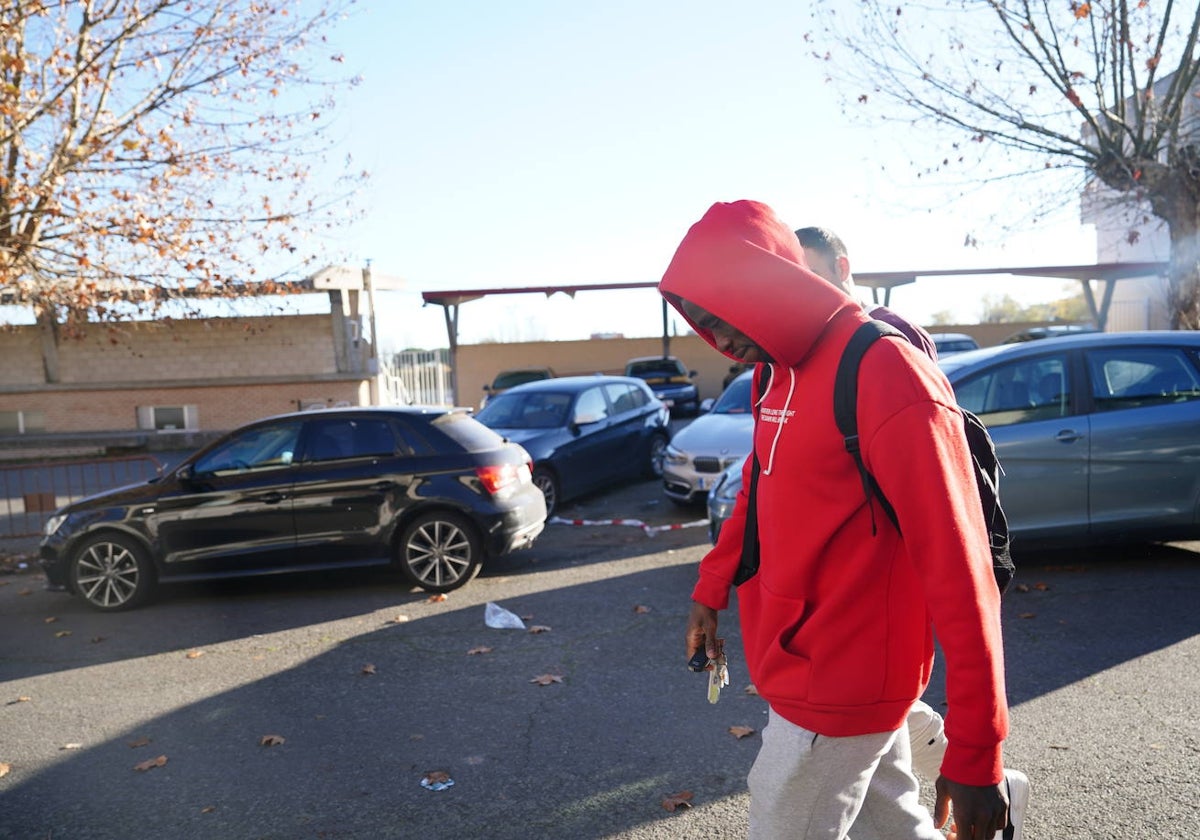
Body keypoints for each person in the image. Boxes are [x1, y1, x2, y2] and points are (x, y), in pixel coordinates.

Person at [660, 199, 1012, 839]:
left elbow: (963, 573)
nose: (722, 341)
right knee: (894, 829)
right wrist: (709, 590)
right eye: (703, 324)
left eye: (725, 316)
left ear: (767, 284)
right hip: (800, 661)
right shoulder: (774, 371)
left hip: (842, 684)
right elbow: (758, 491)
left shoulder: (884, 371)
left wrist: (978, 754)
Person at [795, 224, 1029, 839]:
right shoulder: (812, 350)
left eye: (810, 271)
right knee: (885, 773)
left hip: (877, 596)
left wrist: (980, 753)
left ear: (842, 265)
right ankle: (1003, 787)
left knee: (871, 716)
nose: (800, 289)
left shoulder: (882, 347)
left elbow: (947, 540)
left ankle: (993, 782)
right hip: (836, 618)